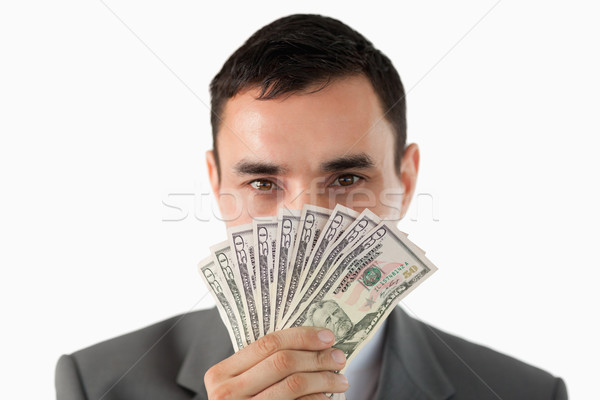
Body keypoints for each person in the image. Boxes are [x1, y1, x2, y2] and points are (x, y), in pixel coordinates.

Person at [55, 13, 568, 399]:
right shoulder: (99, 384)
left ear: (405, 180)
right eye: (261, 182)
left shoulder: (523, 393)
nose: (307, 222)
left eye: (346, 178)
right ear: (215, 184)